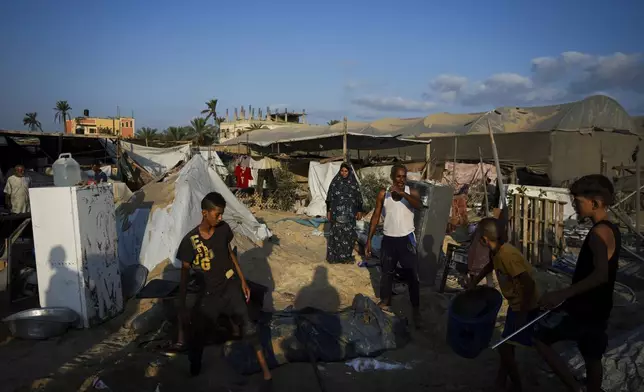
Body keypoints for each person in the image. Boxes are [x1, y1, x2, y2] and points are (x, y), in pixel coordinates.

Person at [175, 192, 272, 388]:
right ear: (204, 213)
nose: (220, 218)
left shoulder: (224, 229)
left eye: (222, 214)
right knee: (198, 334)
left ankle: (266, 373)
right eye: (217, 214)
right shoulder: (190, 241)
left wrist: (243, 281)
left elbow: (230, 254)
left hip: (230, 286)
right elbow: (184, 273)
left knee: (249, 326)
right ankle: (194, 369)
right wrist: (182, 304)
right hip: (209, 294)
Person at [534, 174, 620, 392]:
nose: (575, 205)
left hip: (585, 308)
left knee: (540, 339)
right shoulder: (611, 229)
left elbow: (600, 275)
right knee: (592, 355)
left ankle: (574, 387)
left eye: (578, 201)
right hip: (599, 307)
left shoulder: (598, 234)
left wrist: (563, 294)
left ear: (595, 203)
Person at [468, 217, 539, 391]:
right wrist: (475, 281)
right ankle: (501, 380)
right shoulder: (497, 252)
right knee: (508, 347)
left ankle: (517, 386)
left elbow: (528, 283)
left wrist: (522, 313)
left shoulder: (508, 255)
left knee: (505, 348)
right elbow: (490, 265)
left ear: (485, 240)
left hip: (525, 305)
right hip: (516, 304)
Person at [365, 164, 423, 326]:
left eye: (404, 177)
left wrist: (403, 193)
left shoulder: (411, 192)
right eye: (398, 177)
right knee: (387, 273)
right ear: (392, 177)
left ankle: (416, 309)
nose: (401, 180)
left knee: (412, 276)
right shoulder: (384, 194)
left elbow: (419, 206)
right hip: (389, 240)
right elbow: (376, 216)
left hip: (406, 240)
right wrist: (369, 240)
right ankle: (385, 301)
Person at [326, 163, 363, 264]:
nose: (343, 173)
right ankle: (335, 257)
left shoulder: (353, 183)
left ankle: (346, 257)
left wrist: (359, 210)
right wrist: (328, 211)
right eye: (342, 171)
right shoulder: (335, 182)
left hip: (350, 214)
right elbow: (329, 197)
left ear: (349, 171)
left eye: (346, 171)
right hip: (336, 213)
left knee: (349, 235)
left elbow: (358, 197)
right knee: (336, 234)